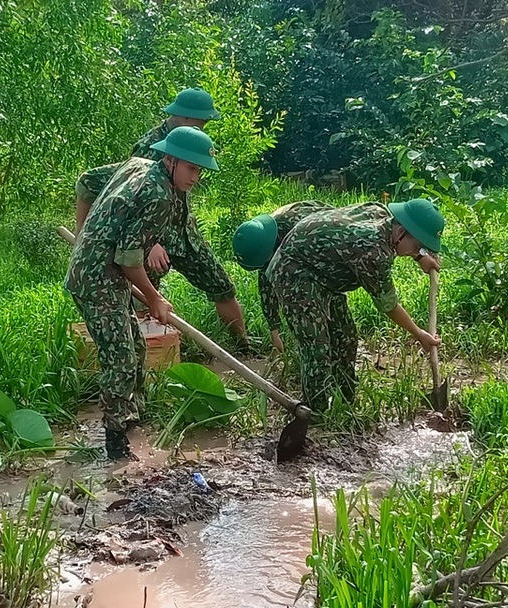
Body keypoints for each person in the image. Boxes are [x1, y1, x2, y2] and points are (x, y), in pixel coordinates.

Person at [65, 126, 219, 460]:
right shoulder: (158, 195)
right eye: (191, 168)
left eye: (200, 169)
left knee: (134, 344)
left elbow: (91, 183)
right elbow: (129, 260)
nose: (196, 176)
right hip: (96, 278)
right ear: (170, 159)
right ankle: (116, 443)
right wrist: (154, 298)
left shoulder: (138, 164)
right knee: (120, 356)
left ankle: (133, 419)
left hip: (103, 270)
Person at [73, 89, 248, 348]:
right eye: (201, 122)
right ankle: (156, 357)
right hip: (145, 241)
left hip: (182, 234)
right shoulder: (151, 148)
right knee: (145, 299)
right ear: (185, 119)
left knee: (220, 284)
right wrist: (150, 243)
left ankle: (242, 343)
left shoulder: (192, 144)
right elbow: (110, 189)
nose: (203, 128)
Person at [265, 198, 444, 413]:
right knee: (317, 347)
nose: (417, 251)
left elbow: (407, 240)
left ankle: (345, 402)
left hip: (325, 272)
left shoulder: (379, 212)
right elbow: (389, 305)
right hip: (294, 273)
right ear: (400, 233)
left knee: (346, 337)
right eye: (417, 246)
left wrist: (419, 255)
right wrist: (419, 333)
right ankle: (318, 414)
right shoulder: (372, 252)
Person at [232, 200, 330, 353]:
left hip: (330, 242)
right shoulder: (262, 240)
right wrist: (274, 333)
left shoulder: (297, 229)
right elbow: (266, 283)